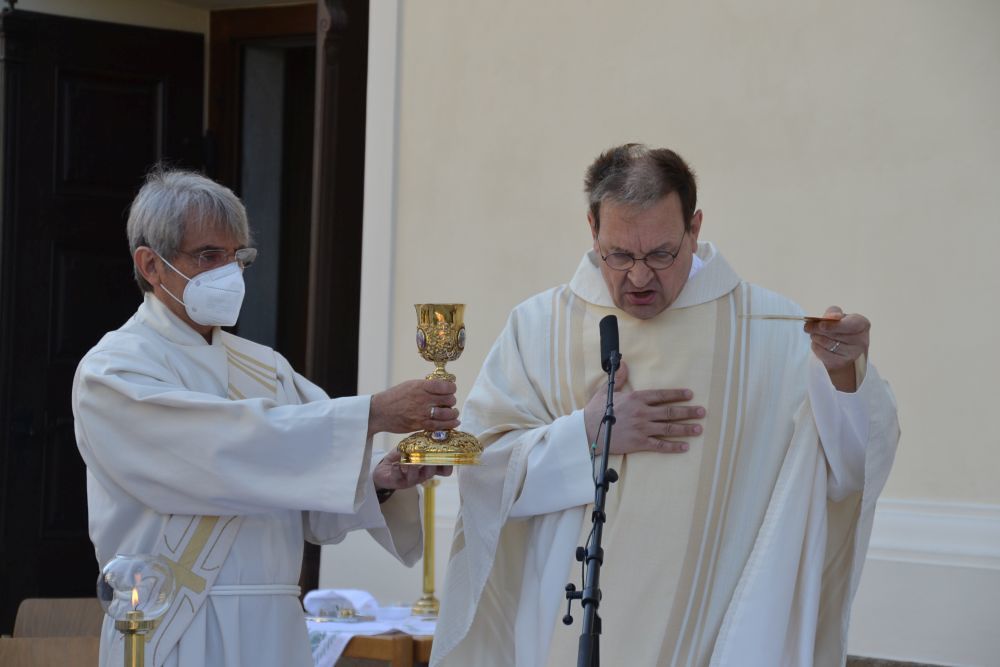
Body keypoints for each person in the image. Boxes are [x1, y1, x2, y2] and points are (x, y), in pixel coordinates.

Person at [431, 144, 900, 666]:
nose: (639, 277)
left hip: (713, 643)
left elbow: (848, 469)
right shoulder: (539, 328)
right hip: (561, 635)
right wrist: (586, 434)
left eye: (660, 254)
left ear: (694, 229)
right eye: (619, 255)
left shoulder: (770, 333)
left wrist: (843, 375)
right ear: (592, 229)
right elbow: (482, 471)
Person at [73, 169, 457, 667]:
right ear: (151, 264)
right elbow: (219, 453)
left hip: (275, 631)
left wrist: (379, 480)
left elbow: (308, 503)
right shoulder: (112, 371)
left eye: (238, 257)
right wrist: (374, 412)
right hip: (175, 628)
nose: (228, 273)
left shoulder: (265, 368)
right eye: (209, 256)